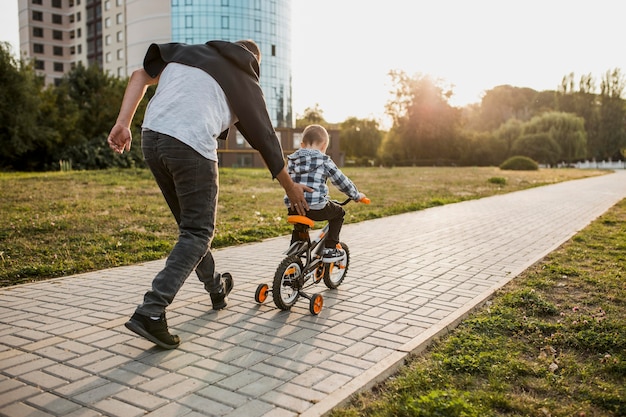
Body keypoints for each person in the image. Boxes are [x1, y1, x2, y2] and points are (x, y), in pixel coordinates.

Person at [107, 39, 311, 350]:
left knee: (190, 230)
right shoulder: (244, 77)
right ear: (253, 62)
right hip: (189, 144)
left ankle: (216, 288)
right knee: (198, 233)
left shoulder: (188, 52)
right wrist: (290, 186)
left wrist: (123, 124)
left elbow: (139, 76)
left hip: (152, 137)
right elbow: (267, 139)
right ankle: (151, 310)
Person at [284, 124, 366, 261]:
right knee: (338, 213)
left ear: (302, 144)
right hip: (316, 207)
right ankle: (331, 248)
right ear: (323, 146)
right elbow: (341, 181)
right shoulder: (323, 160)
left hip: (294, 206)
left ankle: (292, 260)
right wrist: (356, 195)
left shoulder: (292, 160)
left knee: (300, 229)